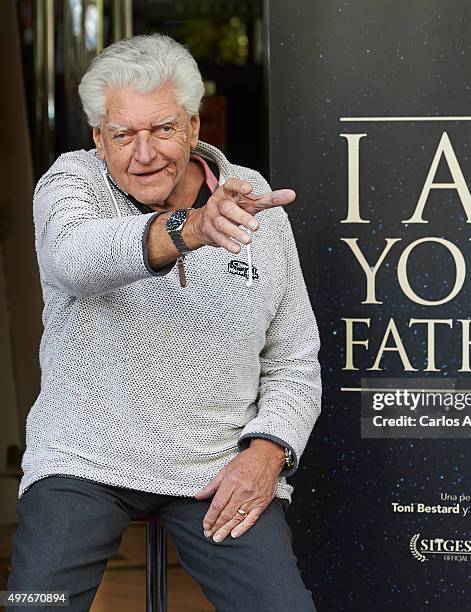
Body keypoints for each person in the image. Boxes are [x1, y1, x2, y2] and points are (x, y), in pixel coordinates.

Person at [8, 34, 321, 611]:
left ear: (194, 126)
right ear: (99, 139)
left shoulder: (252, 202)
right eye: (123, 134)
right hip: (84, 456)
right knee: (36, 606)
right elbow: (76, 257)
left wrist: (269, 449)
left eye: (162, 129)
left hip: (215, 463)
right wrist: (192, 230)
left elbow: (294, 358)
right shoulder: (69, 184)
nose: (144, 152)